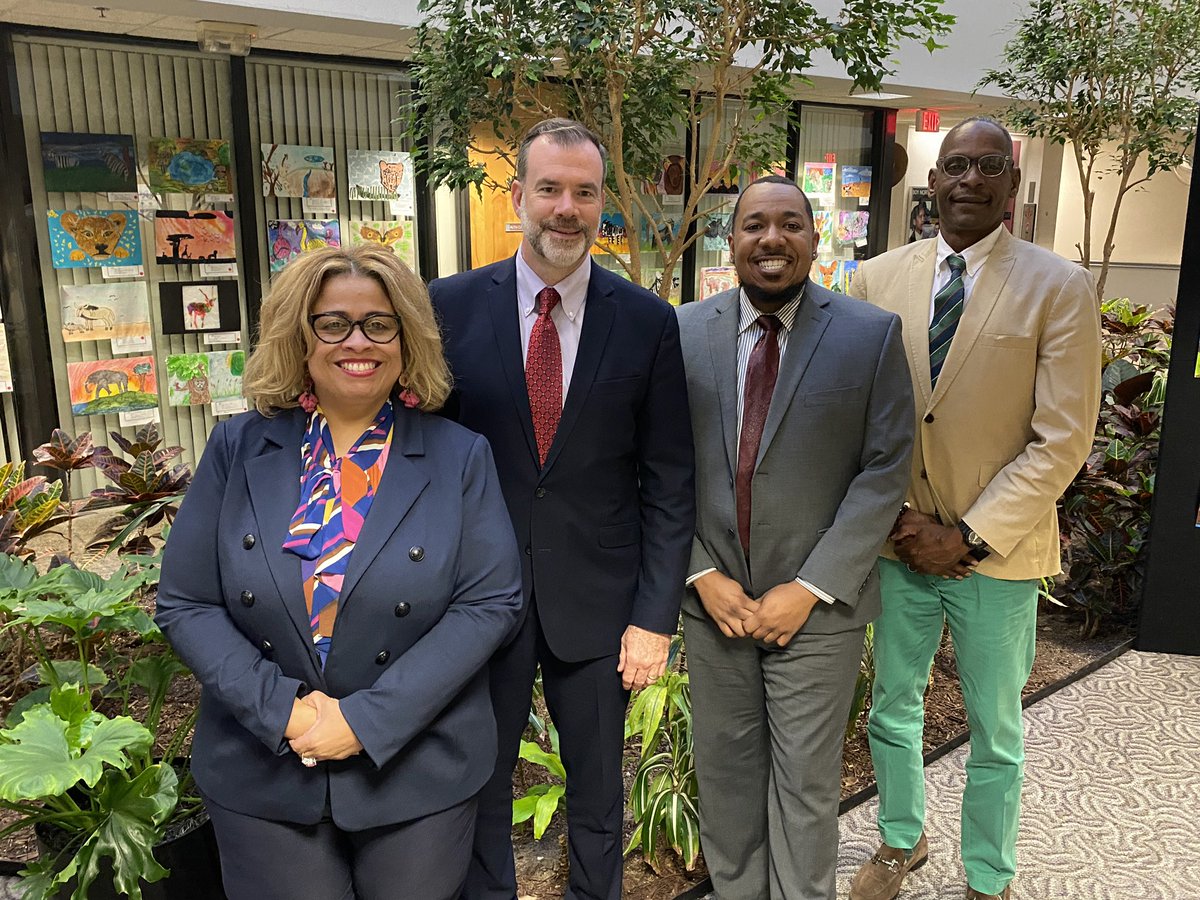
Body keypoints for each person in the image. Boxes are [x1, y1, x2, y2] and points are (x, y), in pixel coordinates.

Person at [155, 244, 523, 900]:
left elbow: (490, 603)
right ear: (300, 335)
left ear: (406, 340)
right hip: (264, 764)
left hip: (418, 766)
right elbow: (186, 603)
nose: (359, 341)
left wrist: (367, 721)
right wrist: (287, 714)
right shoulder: (237, 449)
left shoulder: (459, 455)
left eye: (380, 324)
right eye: (333, 323)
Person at [428, 118, 695, 900]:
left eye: (584, 192)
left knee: (598, 798)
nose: (566, 208)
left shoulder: (646, 321)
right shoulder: (447, 309)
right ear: (518, 197)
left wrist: (654, 619)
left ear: (602, 200)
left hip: (603, 608)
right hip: (480, 601)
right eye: (549, 189)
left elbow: (670, 479)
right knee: (481, 786)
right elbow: (425, 459)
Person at [848, 116, 1101, 900]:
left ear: (1012, 185)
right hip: (899, 547)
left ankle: (989, 875)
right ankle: (900, 841)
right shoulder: (873, 279)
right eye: (955, 164)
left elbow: (1062, 438)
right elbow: (858, 418)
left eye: (988, 165)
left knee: (996, 728)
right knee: (893, 709)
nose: (968, 178)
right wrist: (898, 524)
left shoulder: (1058, 285)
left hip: (998, 553)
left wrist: (967, 536)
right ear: (933, 181)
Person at [676, 175, 915, 900]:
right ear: (731, 240)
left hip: (818, 610)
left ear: (816, 239)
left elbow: (885, 468)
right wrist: (700, 574)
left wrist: (809, 588)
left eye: (789, 224)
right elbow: (651, 465)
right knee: (725, 776)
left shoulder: (869, 335)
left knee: (807, 787)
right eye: (753, 225)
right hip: (712, 601)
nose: (771, 239)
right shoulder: (681, 331)